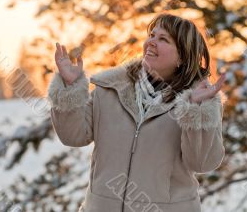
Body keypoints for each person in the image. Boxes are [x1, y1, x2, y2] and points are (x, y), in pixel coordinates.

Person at [48, 13, 226, 212]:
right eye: (152, 35)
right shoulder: (109, 89)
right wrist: (70, 88)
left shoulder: (198, 101)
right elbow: (73, 136)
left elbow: (202, 163)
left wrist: (195, 111)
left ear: (182, 56)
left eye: (163, 39)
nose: (151, 42)